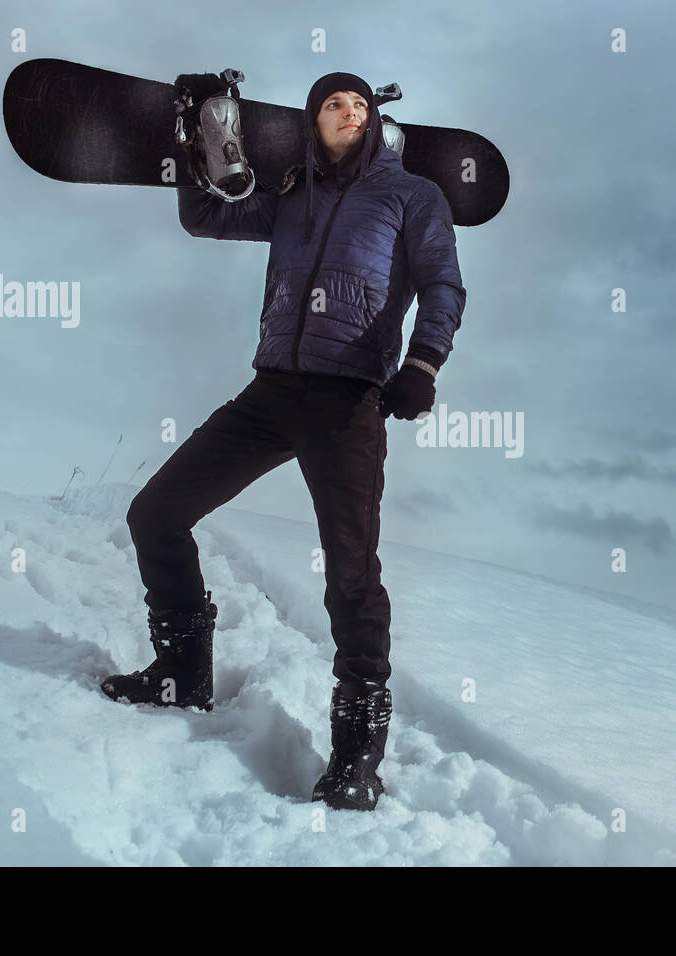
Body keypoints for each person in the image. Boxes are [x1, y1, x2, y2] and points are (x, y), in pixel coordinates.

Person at [99, 70, 467, 812]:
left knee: (351, 575)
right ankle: (182, 672)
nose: (350, 113)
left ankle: (358, 751)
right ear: (313, 121)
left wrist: (423, 364)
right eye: (335, 103)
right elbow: (206, 216)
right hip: (272, 390)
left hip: (350, 399)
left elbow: (443, 284)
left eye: (361, 105)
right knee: (157, 514)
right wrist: (195, 127)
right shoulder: (294, 194)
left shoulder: (410, 196)